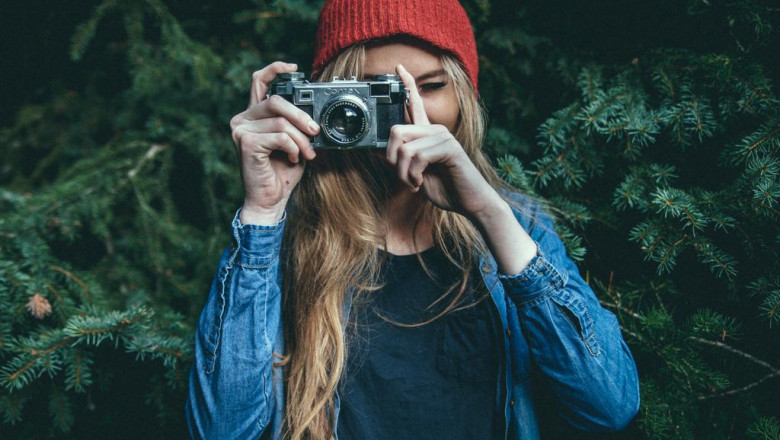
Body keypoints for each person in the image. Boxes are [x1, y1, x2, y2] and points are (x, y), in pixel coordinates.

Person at [185, 0, 640, 439]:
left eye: (431, 86)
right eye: (374, 92)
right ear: (323, 103)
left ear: (464, 95)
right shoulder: (282, 237)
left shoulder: (517, 225)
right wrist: (262, 213)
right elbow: (221, 430)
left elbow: (609, 405)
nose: (406, 114)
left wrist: (489, 214)